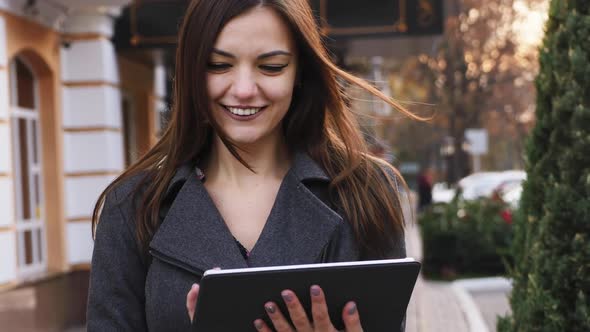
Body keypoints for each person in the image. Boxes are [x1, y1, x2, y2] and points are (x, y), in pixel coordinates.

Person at [87, 0, 422, 331]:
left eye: (271, 66)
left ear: (299, 73)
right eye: (219, 65)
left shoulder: (366, 194)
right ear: (191, 71)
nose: (244, 89)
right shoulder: (131, 207)